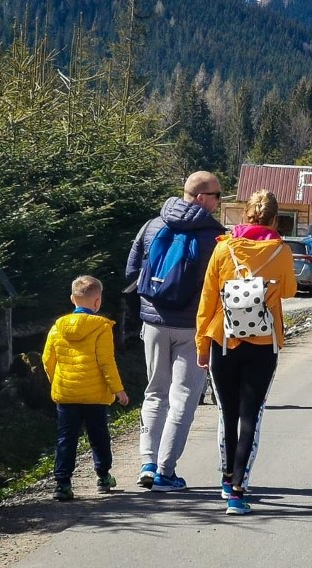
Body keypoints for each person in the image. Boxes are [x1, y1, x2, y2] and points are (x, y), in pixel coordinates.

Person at [196, 189, 296, 515]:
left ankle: (225, 479)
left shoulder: (223, 249)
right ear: (273, 218)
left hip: (223, 340)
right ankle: (239, 490)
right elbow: (291, 290)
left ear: (246, 214)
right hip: (263, 343)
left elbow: (207, 300)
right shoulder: (279, 251)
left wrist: (201, 346)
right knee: (251, 414)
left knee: (227, 413)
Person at [125, 171, 226, 491]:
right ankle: (166, 472)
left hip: (153, 322)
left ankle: (147, 462)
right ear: (200, 197)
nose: (220, 202)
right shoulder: (214, 236)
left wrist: (146, 308)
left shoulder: (152, 225)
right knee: (184, 397)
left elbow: (130, 272)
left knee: (155, 391)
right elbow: (222, 286)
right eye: (217, 196)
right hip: (192, 327)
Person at [42, 275, 129, 501]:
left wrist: (57, 380)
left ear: (72, 299)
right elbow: (106, 362)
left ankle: (62, 484)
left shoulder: (57, 327)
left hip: (66, 393)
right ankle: (103, 476)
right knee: (98, 435)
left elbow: (47, 359)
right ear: (98, 302)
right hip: (95, 395)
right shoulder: (101, 327)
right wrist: (118, 389)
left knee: (66, 437)